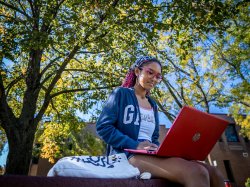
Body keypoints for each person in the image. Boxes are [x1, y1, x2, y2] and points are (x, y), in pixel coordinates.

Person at [96, 56, 225, 187]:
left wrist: (159, 149)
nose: (154, 79)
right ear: (137, 72)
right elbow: (103, 127)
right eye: (150, 72)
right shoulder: (121, 93)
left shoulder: (153, 104)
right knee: (197, 172)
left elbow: (154, 137)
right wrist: (135, 145)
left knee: (215, 173)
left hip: (149, 154)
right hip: (126, 155)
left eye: (158, 76)